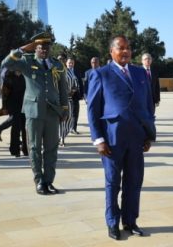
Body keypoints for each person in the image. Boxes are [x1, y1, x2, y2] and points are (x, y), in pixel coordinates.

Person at [87, 36, 156, 240]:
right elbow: (92, 110)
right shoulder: (100, 74)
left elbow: (148, 106)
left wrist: (148, 134)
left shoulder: (141, 73)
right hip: (112, 140)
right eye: (120, 48)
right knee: (113, 182)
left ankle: (130, 220)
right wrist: (98, 139)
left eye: (128, 48)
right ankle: (112, 223)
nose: (125, 51)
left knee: (134, 181)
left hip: (136, 137)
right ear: (111, 52)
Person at [1, 32, 68, 196]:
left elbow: (63, 88)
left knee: (52, 148)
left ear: (50, 48)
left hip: (52, 112)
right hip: (33, 112)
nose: (44, 50)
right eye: (40, 47)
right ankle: (39, 181)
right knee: (34, 147)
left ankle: (49, 181)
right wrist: (22, 49)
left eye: (46, 47)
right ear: (35, 48)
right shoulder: (26, 61)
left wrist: (65, 109)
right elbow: (6, 63)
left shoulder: (58, 65)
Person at [0, 69, 28, 157]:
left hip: (25, 103)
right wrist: (4, 107)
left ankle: (26, 149)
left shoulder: (26, 74)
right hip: (13, 104)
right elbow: (4, 92)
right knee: (16, 127)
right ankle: (15, 150)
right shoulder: (9, 75)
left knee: (25, 127)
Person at [65, 57, 83, 138]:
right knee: (68, 114)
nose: (70, 64)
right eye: (69, 63)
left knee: (75, 113)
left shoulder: (77, 72)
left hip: (75, 96)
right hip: (66, 96)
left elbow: (80, 84)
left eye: (72, 63)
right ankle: (65, 130)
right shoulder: (63, 72)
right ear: (66, 63)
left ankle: (74, 128)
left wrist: (81, 94)